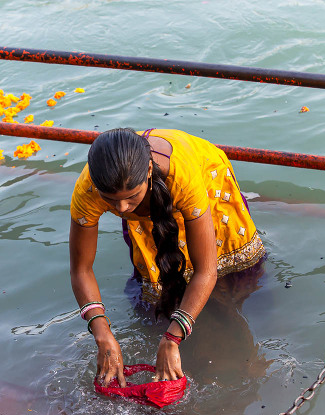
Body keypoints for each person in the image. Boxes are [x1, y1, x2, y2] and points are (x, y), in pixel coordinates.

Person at [69, 128, 265, 387]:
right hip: (151, 188)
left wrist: (172, 338)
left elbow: (207, 271)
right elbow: (81, 269)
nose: (121, 210)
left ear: (149, 172)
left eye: (130, 198)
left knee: (230, 276)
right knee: (155, 284)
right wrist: (102, 334)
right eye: (111, 201)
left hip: (205, 179)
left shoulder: (182, 178)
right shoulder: (88, 190)